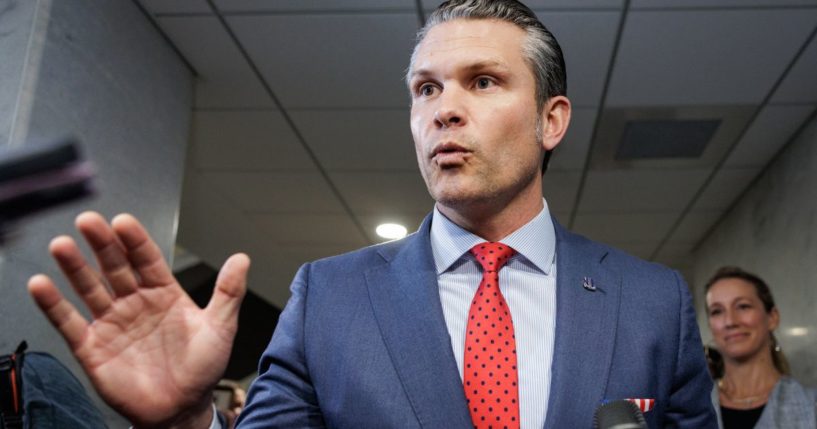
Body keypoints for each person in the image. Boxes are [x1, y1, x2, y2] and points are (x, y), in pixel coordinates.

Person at [26, 1, 718, 427]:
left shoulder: (651, 301)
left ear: (551, 118)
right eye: (425, 88)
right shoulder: (328, 296)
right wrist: (185, 420)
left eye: (482, 81)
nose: (443, 108)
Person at [704, 266, 816, 429]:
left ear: (772, 318)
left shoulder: (811, 407)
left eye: (743, 306)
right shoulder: (688, 409)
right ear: (710, 326)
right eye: (717, 311)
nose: (730, 321)